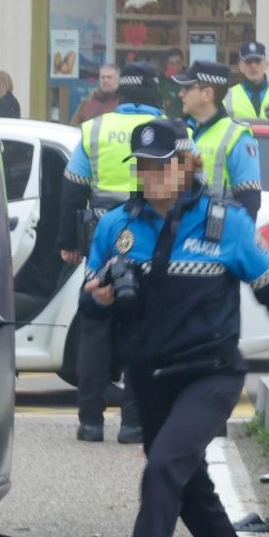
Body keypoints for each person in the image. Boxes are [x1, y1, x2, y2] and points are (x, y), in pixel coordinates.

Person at [85, 119, 269, 537]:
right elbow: (93, 299)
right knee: (187, 487)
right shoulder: (116, 228)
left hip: (210, 374)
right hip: (150, 379)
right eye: (144, 167)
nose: (153, 177)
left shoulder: (227, 224)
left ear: (186, 163)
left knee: (163, 470)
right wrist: (98, 298)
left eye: (162, 165)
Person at [60, 63, 168, 443]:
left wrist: (69, 244)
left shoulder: (96, 128)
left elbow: (73, 187)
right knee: (141, 330)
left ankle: (90, 422)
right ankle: (133, 424)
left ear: (122, 93)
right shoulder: (172, 131)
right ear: (155, 94)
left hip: (103, 238)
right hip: (153, 241)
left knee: (94, 326)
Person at [172, 59, 263, 219]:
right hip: (186, 231)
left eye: (187, 88)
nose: (181, 94)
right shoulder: (185, 130)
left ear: (207, 93)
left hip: (217, 234)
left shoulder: (237, 136)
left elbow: (250, 202)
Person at [224, 42, 269, 123]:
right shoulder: (227, 97)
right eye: (248, 62)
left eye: (258, 61)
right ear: (241, 67)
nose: (253, 66)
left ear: (266, 65)